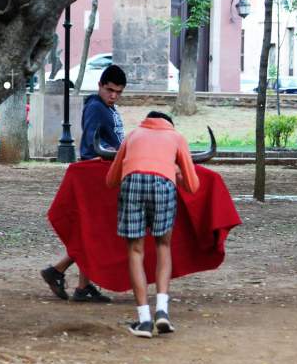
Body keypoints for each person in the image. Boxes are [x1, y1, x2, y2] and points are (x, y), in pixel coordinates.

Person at [105, 111, 199, 338]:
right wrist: (174, 170)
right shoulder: (176, 137)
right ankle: (162, 311)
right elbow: (193, 186)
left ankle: (144, 320)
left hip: (133, 182)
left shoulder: (133, 135)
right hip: (164, 184)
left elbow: (110, 181)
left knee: (135, 250)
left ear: (146, 121)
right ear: (169, 125)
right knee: (163, 246)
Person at [40, 65, 127, 302]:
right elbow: (92, 145)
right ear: (100, 85)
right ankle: (71, 281)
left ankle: (65, 276)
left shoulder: (106, 107)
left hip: (103, 174)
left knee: (92, 233)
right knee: (95, 232)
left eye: (118, 92)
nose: (114, 95)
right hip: (96, 175)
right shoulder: (96, 108)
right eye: (110, 90)